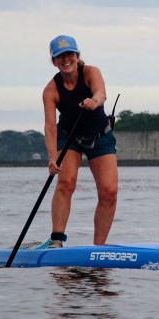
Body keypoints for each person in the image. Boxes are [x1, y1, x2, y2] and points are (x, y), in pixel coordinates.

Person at [42, 35, 118, 248]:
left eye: (69, 55)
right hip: (69, 137)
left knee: (109, 191)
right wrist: (52, 157)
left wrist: (94, 101)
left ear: (77, 56)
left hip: (100, 136)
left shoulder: (91, 72)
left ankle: (98, 248)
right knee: (66, 183)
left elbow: (101, 93)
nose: (65, 60)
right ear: (54, 61)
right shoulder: (51, 90)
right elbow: (49, 127)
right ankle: (56, 241)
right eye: (60, 57)